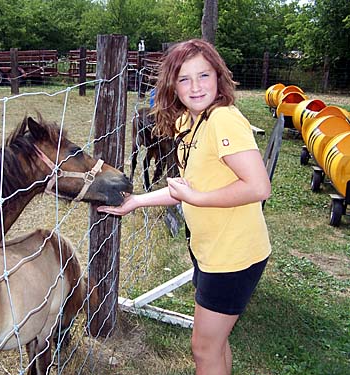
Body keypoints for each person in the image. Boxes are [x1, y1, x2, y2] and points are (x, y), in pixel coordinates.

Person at [98, 39, 271, 375]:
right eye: (184, 78)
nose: (195, 87)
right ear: (172, 86)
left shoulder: (223, 119)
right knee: (216, 343)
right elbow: (186, 189)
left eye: (203, 75)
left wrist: (197, 199)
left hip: (233, 257)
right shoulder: (188, 123)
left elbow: (258, 186)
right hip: (210, 251)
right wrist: (136, 202)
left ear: (219, 78)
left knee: (203, 349)